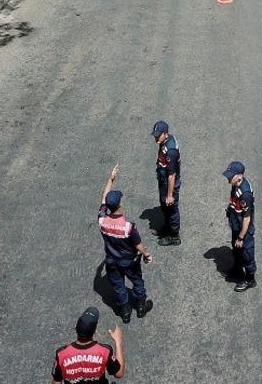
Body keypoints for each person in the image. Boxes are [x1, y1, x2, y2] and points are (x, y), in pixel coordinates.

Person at [98, 165, 153, 323]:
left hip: (111, 261)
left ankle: (125, 311)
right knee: (137, 281)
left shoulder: (102, 220)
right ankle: (141, 306)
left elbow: (104, 197)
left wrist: (111, 178)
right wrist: (147, 254)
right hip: (129, 261)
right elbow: (138, 246)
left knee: (118, 285)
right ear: (120, 205)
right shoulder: (129, 227)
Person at [52, 306, 125, 383]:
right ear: (95, 331)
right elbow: (119, 374)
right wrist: (118, 341)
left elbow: (57, 381)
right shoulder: (104, 351)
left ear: (75, 327)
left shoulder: (61, 354)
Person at [223, 161, 256, 292]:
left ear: (239, 176)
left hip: (244, 229)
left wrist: (241, 237)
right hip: (236, 224)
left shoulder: (245, 193)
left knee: (247, 252)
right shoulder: (236, 185)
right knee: (236, 249)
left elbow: (247, 218)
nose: (228, 178)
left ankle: (249, 279)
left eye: (231, 175)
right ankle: (237, 269)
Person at [151, 121, 181, 246]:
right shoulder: (164, 142)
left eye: (158, 135)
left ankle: (174, 236)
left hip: (169, 185)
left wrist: (170, 195)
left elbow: (172, 175)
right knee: (164, 206)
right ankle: (167, 227)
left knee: (171, 209)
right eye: (155, 135)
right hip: (163, 180)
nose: (156, 138)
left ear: (166, 134)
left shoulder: (171, 151)